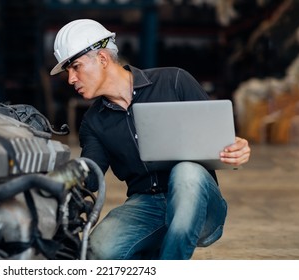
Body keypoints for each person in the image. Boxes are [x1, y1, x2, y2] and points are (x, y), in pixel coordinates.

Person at [49, 19, 251, 260]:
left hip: (199, 203)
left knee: (187, 172)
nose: (70, 79)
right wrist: (54, 180)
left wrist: (236, 148)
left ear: (102, 59)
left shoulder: (174, 81)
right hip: (146, 207)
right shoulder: (93, 121)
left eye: (76, 67)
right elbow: (90, 177)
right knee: (97, 251)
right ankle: (153, 254)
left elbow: (217, 139)